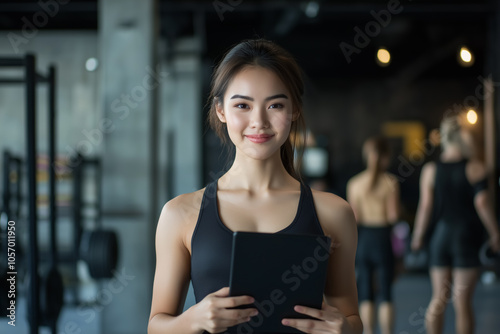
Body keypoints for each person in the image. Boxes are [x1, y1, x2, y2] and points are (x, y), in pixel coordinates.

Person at [147, 39, 363, 334]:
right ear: (221, 110)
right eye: (242, 105)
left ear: (295, 110)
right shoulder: (181, 213)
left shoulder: (334, 212)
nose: (259, 121)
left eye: (275, 105)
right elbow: (156, 325)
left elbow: (352, 319)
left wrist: (345, 329)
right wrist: (192, 319)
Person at [411, 115, 500, 334]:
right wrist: (495, 233)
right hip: (465, 238)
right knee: (462, 304)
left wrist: (417, 237)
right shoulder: (476, 168)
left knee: (437, 300)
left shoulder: (431, 170)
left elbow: (425, 208)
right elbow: (482, 203)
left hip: (440, 237)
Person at [346, 136, 400, 334]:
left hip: (364, 241)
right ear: (385, 157)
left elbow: (354, 219)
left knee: (366, 293)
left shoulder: (354, 184)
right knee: (386, 293)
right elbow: (393, 217)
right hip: (383, 240)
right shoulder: (391, 182)